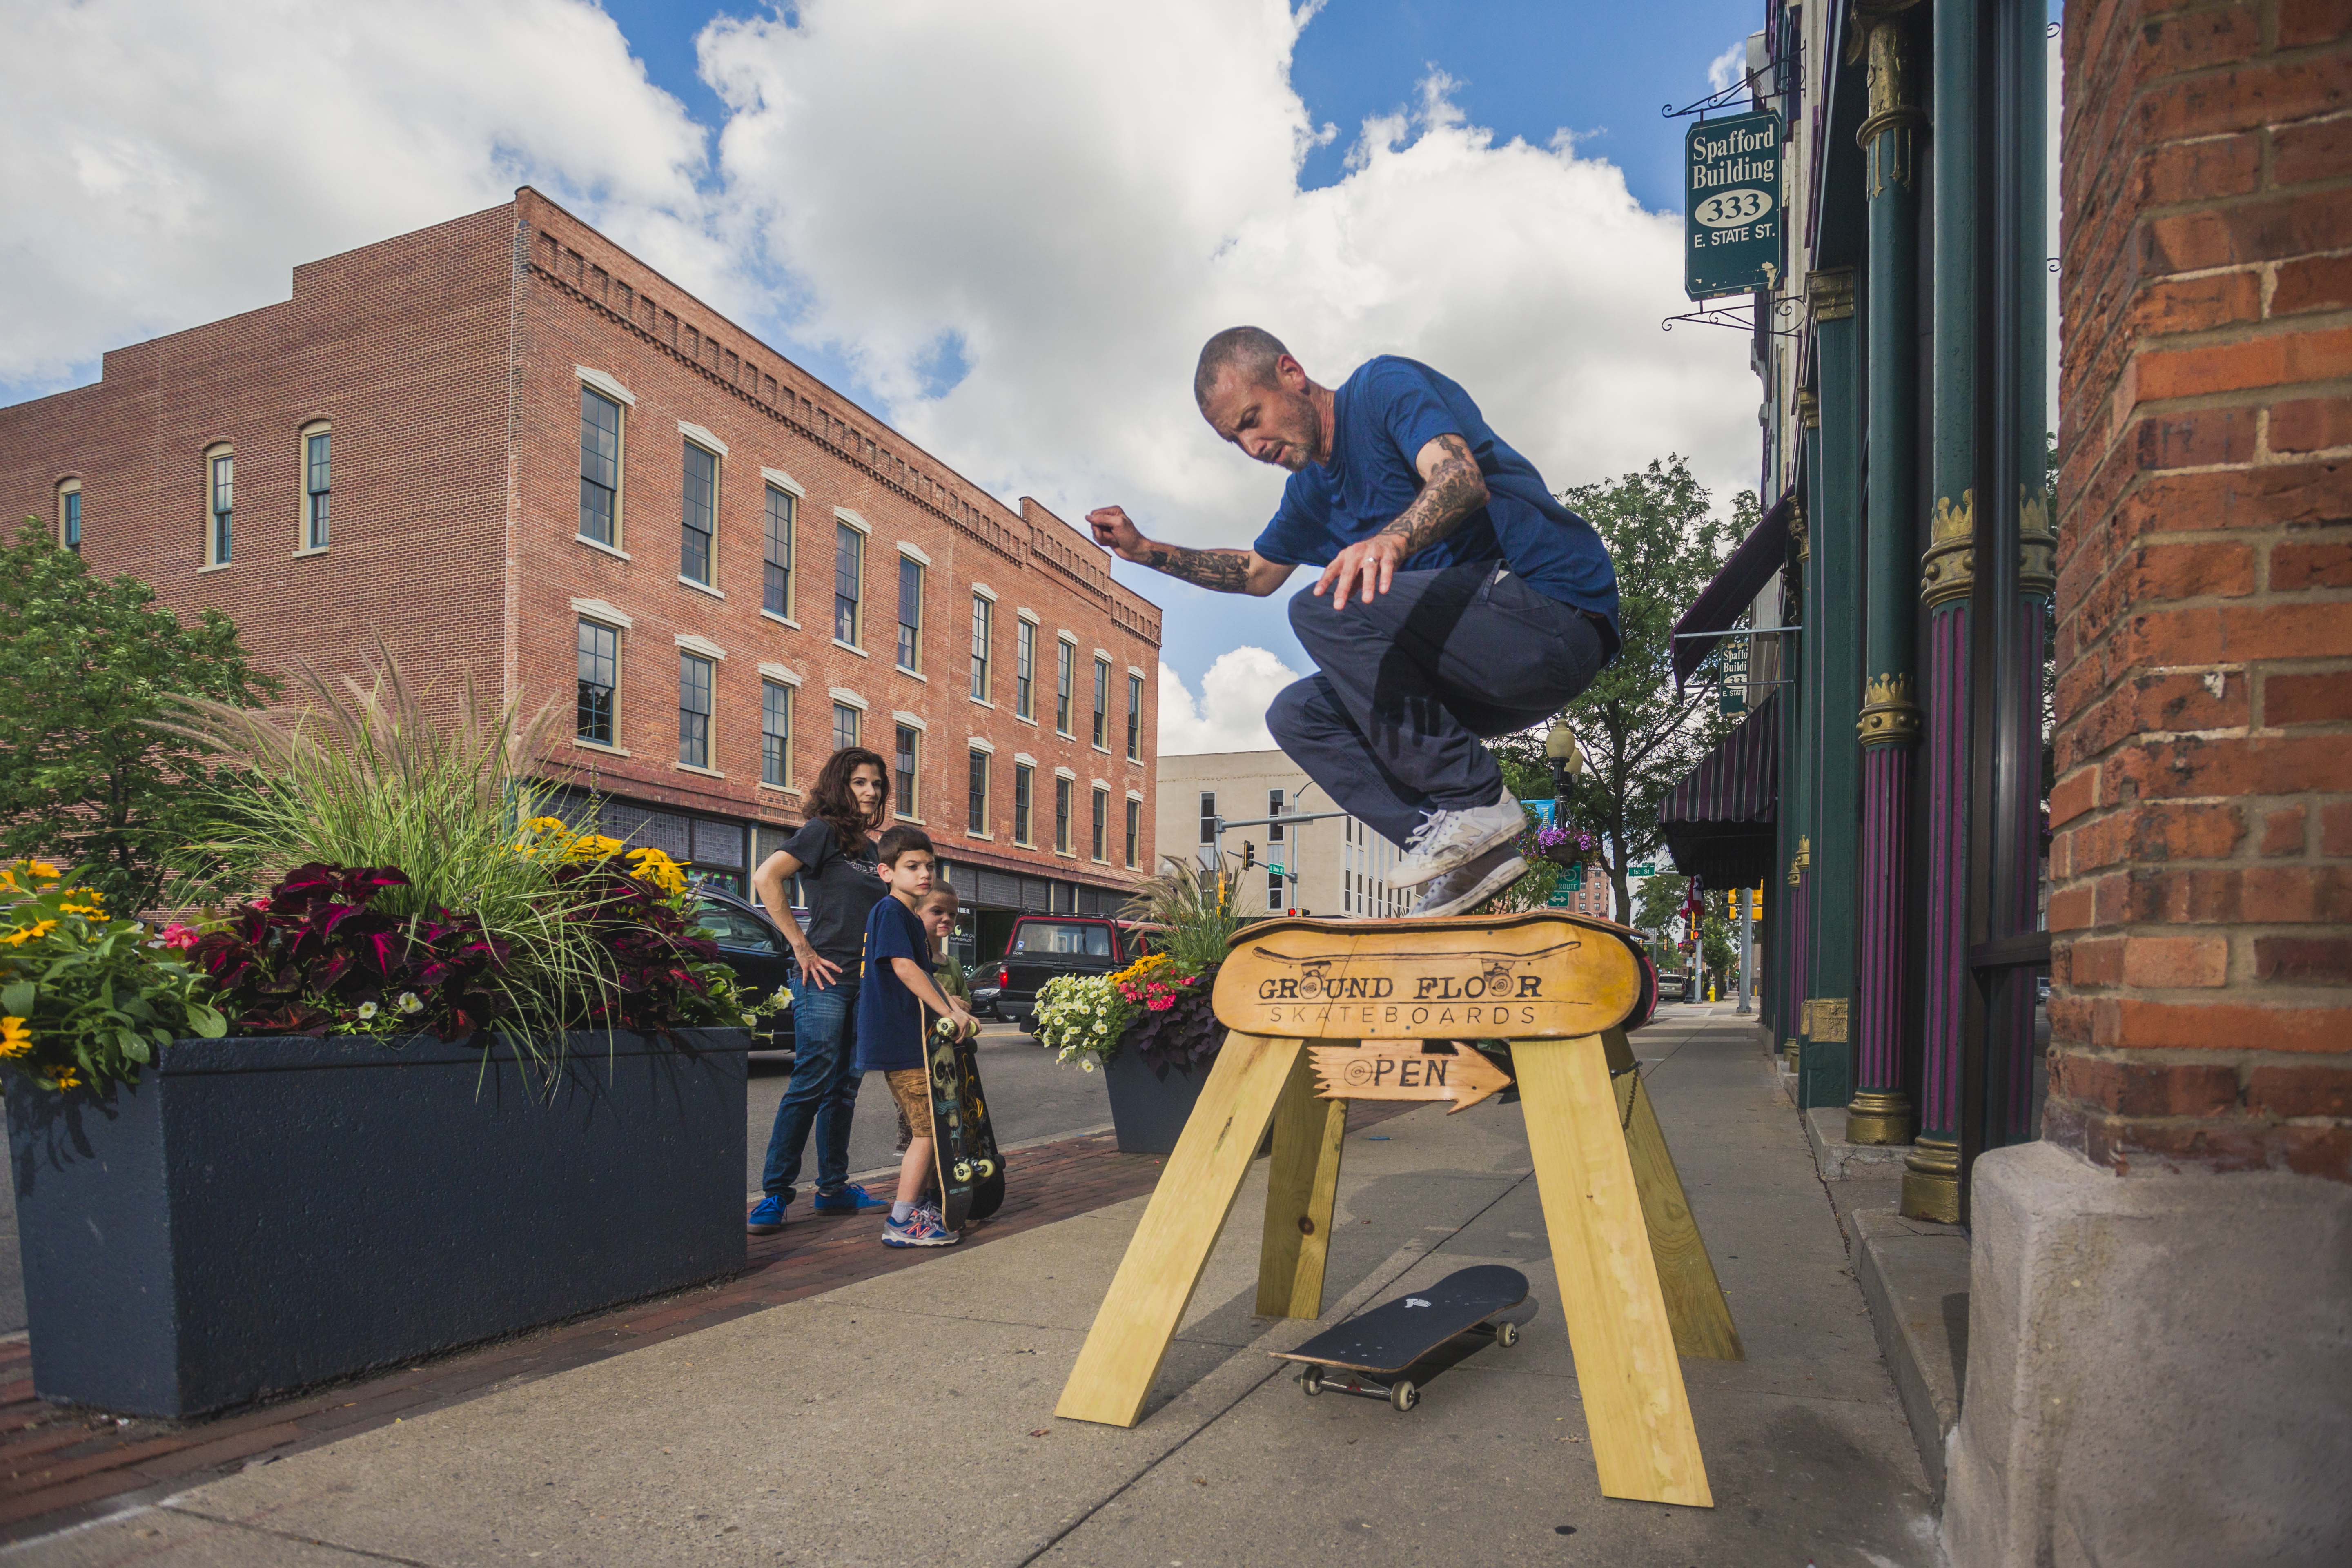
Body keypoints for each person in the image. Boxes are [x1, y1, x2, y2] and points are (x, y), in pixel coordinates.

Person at [1088, 328, 1620, 917]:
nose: (1252, 445)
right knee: (1298, 714)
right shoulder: (1310, 495)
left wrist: (1392, 539)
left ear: (1291, 374)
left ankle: (1476, 800)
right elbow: (1257, 573)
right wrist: (1145, 550)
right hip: (1482, 675)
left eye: (1252, 418)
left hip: (1550, 610)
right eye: (1234, 438)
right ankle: (1470, 851)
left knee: (1322, 607)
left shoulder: (1382, 389)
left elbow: (1459, 477)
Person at [744, 747, 892, 1234]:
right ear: (839, 787)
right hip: (824, 979)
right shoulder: (821, 832)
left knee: (844, 1089)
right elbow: (767, 878)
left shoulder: (873, 852)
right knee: (810, 1082)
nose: (871, 792)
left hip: (864, 981)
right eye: (860, 783)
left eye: (876, 784)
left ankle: (833, 1189)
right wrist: (802, 949)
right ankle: (775, 1196)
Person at [852, 826, 978, 1248]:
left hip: (915, 1041)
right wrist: (947, 1011)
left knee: (931, 1126)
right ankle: (902, 1221)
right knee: (927, 1130)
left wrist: (954, 1006)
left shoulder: (906, 916)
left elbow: (924, 974)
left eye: (929, 865)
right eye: (912, 867)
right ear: (886, 872)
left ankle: (920, 1204)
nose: (924, 873)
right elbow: (905, 969)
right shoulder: (890, 911)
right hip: (901, 1041)